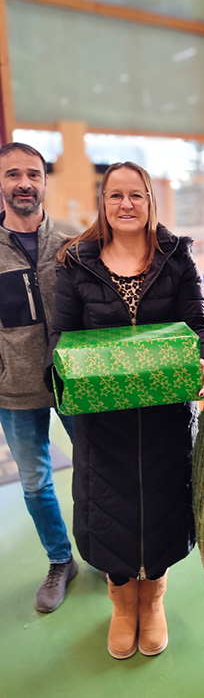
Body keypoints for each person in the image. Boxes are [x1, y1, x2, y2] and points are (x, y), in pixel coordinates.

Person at [48, 161, 204, 659]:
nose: (126, 204)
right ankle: (124, 605)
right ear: (103, 203)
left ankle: (155, 600)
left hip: (166, 417)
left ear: (150, 201)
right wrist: (62, 375)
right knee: (110, 510)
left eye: (136, 195)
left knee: (163, 506)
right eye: (116, 195)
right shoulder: (76, 263)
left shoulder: (176, 258)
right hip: (103, 423)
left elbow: (198, 321)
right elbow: (60, 336)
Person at [0, 142, 78, 613]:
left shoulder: (73, 243)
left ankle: (105, 550)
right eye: (13, 174)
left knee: (93, 469)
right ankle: (60, 559)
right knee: (35, 481)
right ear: (1, 183)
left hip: (76, 382)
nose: (24, 183)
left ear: (46, 182)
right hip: (14, 389)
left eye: (33, 174)